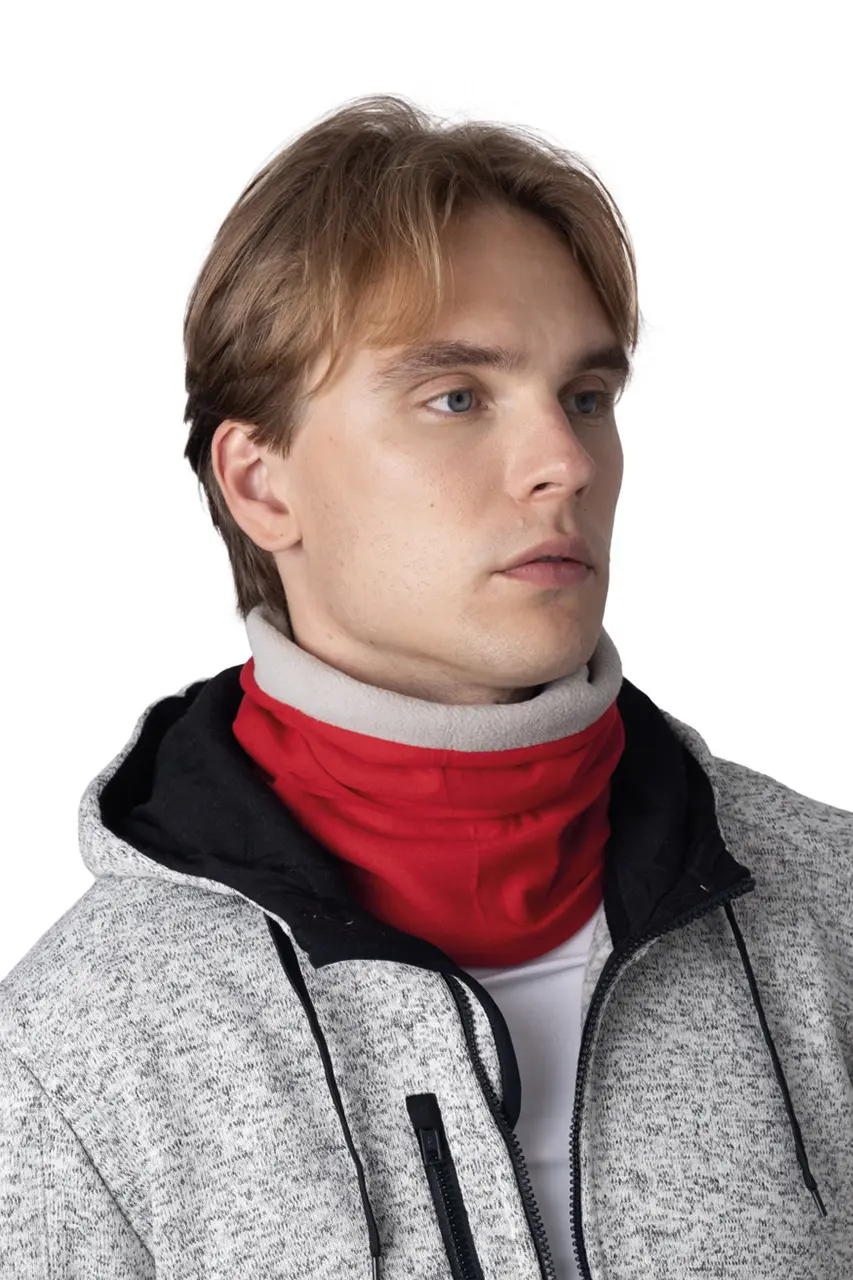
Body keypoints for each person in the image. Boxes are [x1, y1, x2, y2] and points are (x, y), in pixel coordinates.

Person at [1, 93, 850, 1280]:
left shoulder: (830, 911)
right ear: (260, 482)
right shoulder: (70, 1056)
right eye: (457, 397)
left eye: (587, 397)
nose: (566, 462)